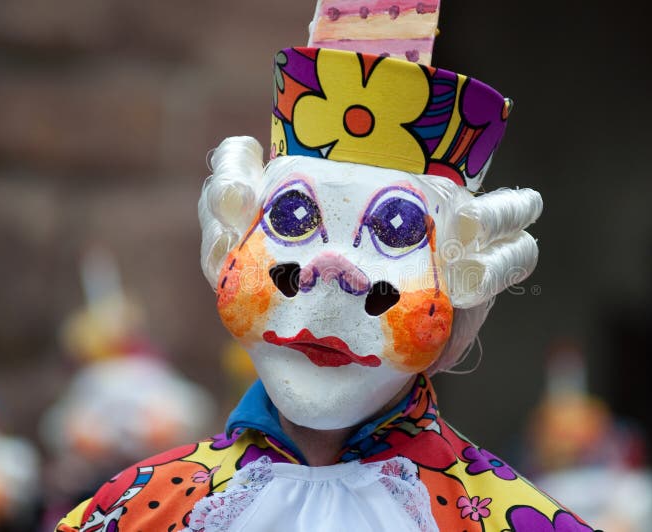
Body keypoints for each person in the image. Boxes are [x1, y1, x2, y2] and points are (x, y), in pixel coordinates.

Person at [57, 3, 594, 531]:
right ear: (231, 246)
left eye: (396, 232)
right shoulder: (132, 514)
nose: (332, 278)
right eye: (292, 218)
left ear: (461, 283)